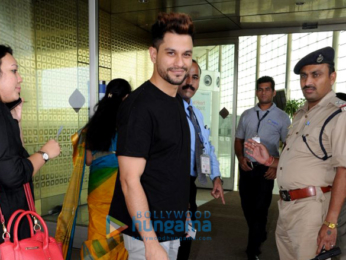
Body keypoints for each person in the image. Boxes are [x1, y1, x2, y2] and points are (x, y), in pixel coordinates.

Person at [244, 47, 346, 260]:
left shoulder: (339, 114)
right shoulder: (301, 114)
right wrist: (270, 160)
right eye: (303, 76)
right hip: (287, 208)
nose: (308, 82)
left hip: (312, 211)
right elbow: (302, 160)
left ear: (332, 77)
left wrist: (330, 222)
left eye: (316, 74)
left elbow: (344, 169)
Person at [108, 12, 194, 260]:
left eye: (186, 54)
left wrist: (182, 209)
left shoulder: (176, 100)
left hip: (170, 225)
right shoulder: (140, 106)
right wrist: (150, 242)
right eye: (171, 53)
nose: (180, 62)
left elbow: (170, 165)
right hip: (148, 234)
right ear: (153, 54)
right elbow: (129, 180)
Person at [0, 44, 60, 242]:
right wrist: (44, 154)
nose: (20, 78)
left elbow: (13, 158)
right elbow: (13, 174)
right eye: (13, 71)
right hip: (9, 233)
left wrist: (16, 123)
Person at [234, 76, 290, 260]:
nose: (263, 92)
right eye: (260, 89)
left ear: (273, 92)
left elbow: (289, 145)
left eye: (267, 89)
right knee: (246, 207)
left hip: (265, 170)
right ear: (257, 92)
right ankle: (259, 234)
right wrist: (240, 157)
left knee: (260, 208)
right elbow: (238, 140)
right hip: (247, 167)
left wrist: (276, 165)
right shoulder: (247, 114)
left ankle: (253, 249)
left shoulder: (282, 117)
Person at [176, 59, 225, 260]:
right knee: (174, 240)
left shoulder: (195, 112)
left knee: (187, 237)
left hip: (189, 185)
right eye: (186, 76)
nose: (190, 82)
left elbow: (207, 147)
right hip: (174, 186)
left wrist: (216, 177)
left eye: (195, 77)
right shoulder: (170, 110)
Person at [82, 79, 131, 259]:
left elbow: (88, 160)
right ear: (125, 98)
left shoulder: (93, 126)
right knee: (116, 235)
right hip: (118, 191)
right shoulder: (126, 126)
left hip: (96, 191)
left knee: (97, 234)